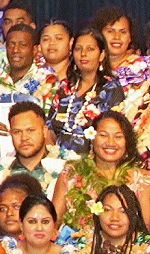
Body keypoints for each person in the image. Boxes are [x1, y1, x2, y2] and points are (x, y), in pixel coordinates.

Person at [52, 110, 150, 235]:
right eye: (103, 135)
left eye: (118, 137)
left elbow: (147, 232)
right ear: (92, 138)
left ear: (127, 141)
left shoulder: (143, 181)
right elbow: (52, 224)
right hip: (78, 251)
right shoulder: (71, 175)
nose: (110, 143)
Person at [0, 102, 65, 225]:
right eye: (17, 132)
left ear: (44, 131)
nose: (24, 137)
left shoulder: (65, 169)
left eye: (30, 130)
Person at [50, 26, 124, 158]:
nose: (83, 54)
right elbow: (49, 129)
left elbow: (114, 134)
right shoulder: (65, 87)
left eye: (90, 49)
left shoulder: (111, 89)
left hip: (93, 166)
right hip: (56, 163)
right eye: (78, 49)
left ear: (101, 55)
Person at [0, 24, 58, 144]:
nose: (15, 50)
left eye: (22, 45)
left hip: (33, 153)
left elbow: (51, 127)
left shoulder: (47, 80)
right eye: (11, 45)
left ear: (35, 49)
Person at [94, 7, 148, 92]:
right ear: (99, 35)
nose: (117, 37)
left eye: (123, 32)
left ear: (130, 37)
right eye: (110, 31)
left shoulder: (144, 67)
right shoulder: (90, 66)